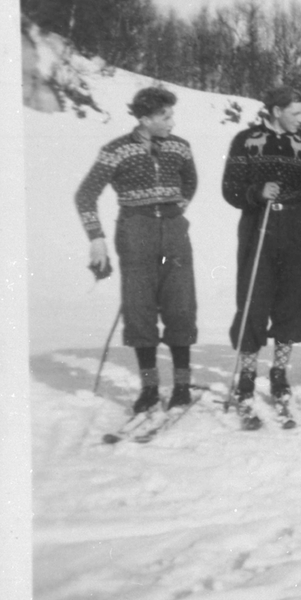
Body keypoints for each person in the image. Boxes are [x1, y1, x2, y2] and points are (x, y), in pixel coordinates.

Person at [76, 86, 198, 412]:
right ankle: (149, 387)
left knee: (180, 306)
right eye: (165, 116)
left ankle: (182, 386)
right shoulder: (115, 150)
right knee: (139, 308)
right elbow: (85, 195)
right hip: (136, 231)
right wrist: (96, 238)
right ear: (144, 119)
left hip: (173, 232)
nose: (172, 122)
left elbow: (191, 181)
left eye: (172, 115)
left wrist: (174, 210)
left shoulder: (180, 147)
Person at [221, 86, 301, 406]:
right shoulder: (245, 139)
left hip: (295, 226)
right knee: (254, 298)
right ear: (277, 111)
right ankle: (248, 373)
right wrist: (257, 191)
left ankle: (279, 372)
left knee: (292, 299)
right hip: (258, 225)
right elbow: (229, 189)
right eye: (295, 113)